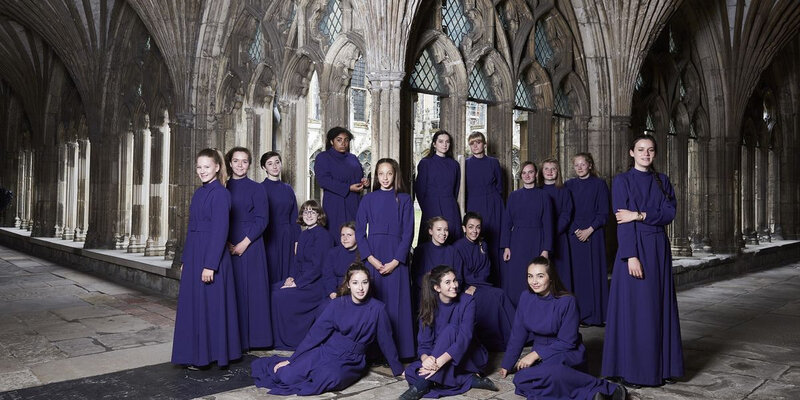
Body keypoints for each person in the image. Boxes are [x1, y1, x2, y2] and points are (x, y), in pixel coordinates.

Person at [602, 134, 684, 387]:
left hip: (658, 249)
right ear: (631, 153)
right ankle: (633, 371)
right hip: (634, 248)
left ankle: (661, 367)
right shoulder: (622, 181)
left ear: (655, 154)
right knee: (637, 312)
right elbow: (621, 223)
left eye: (650, 150)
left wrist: (638, 214)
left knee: (658, 309)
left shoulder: (662, 180)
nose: (645, 154)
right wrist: (631, 256)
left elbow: (669, 213)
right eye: (640, 150)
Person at [251, 264, 404, 395]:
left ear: (369, 284)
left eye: (364, 282)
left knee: (327, 378)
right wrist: (293, 359)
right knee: (286, 376)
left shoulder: (378, 309)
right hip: (328, 351)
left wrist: (398, 370)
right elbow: (315, 335)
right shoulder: (337, 304)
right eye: (356, 283)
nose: (361, 288)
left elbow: (387, 342)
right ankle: (288, 365)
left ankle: (320, 373)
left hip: (352, 360)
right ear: (349, 284)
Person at [499, 257, 626, 400]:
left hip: (566, 352)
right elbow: (518, 334)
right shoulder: (525, 297)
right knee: (520, 379)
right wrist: (507, 364)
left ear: (551, 277)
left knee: (552, 374)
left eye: (540, 276)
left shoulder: (568, 301)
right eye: (530, 276)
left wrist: (534, 354)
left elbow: (567, 342)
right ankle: (590, 395)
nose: (534, 281)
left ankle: (610, 389)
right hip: (542, 353)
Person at [172, 148, 241, 369]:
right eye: (199, 167)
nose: (202, 171)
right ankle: (194, 353)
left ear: (217, 167)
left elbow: (220, 231)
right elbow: (191, 228)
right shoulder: (199, 192)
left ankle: (210, 356)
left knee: (211, 307)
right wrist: (185, 259)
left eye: (206, 167)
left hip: (212, 257)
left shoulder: (221, 194)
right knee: (194, 306)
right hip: (194, 255)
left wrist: (210, 265)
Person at [400, 265, 498, 400]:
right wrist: (426, 359)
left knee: (451, 330)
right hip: (439, 355)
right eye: (448, 282)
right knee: (411, 371)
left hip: (467, 355)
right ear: (437, 288)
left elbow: (465, 338)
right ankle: (468, 380)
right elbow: (424, 343)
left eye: (455, 280)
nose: (454, 285)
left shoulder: (468, 301)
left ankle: (422, 385)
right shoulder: (429, 306)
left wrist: (438, 363)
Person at [355, 158, 415, 359]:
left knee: (397, 305)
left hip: (396, 256)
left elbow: (408, 233)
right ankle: (375, 353)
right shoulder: (368, 200)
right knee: (375, 303)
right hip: (375, 255)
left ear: (395, 175)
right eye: (381, 174)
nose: (385, 178)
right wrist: (370, 259)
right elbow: (359, 233)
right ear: (376, 176)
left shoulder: (405, 199)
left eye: (389, 173)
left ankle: (400, 351)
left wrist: (396, 261)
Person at [225, 147, 272, 350]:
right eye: (236, 161)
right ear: (229, 163)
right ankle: (235, 340)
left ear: (250, 164)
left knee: (253, 292)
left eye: (244, 161)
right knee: (233, 291)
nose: (240, 165)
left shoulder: (257, 188)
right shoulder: (223, 187)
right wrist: (226, 243)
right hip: (227, 243)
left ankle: (256, 340)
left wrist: (244, 243)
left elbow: (263, 219)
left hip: (252, 244)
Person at [271, 200, 333, 350]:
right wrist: (291, 277)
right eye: (306, 211)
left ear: (319, 215)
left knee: (280, 296)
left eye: (313, 211)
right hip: (301, 279)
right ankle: (273, 338)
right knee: (272, 289)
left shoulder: (323, 236)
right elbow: (296, 261)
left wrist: (297, 283)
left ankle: (291, 340)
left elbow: (318, 268)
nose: (309, 215)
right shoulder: (303, 234)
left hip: (315, 285)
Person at [452, 212, 515, 352]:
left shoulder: (483, 245)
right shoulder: (457, 247)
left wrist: (478, 282)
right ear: (464, 228)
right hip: (466, 286)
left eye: (478, 227)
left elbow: (486, 270)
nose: (474, 231)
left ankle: (515, 337)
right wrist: (466, 287)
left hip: (482, 283)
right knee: (491, 297)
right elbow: (457, 273)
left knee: (500, 294)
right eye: (471, 227)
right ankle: (496, 341)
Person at [499, 161, 553, 307]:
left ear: (536, 174)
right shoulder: (514, 196)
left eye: (530, 172)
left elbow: (548, 224)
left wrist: (546, 249)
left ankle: (536, 310)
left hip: (537, 240)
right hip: (517, 242)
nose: (527, 175)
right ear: (521, 176)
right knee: (517, 277)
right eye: (524, 173)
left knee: (537, 277)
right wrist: (506, 247)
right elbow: (507, 223)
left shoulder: (544, 196)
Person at [565, 152, 610, 326]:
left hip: (594, 233)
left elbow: (604, 212)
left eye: (583, 164)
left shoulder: (599, 184)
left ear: (590, 165)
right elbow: (566, 212)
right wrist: (577, 230)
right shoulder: (568, 185)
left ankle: (597, 315)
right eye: (576, 165)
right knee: (578, 276)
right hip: (574, 234)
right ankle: (581, 315)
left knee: (595, 273)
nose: (580, 168)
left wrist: (589, 230)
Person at [314, 126, 368, 244]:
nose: (343, 143)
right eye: (339, 140)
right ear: (331, 141)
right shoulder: (323, 157)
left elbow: (360, 177)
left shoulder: (353, 158)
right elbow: (323, 180)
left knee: (355, 237)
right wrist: (347, 188)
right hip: (334, 205)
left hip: (354, 204)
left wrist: (365, 182)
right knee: (335, 237)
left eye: (346, 140)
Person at [464, 132, 504, 283]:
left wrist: (496, 203)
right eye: (472, 143)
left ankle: (497, 280)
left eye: (478, 142)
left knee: (494, 242)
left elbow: (500, 186)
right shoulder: (466, 164)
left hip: (493, 204)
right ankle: (479, 279)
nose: (475, 146)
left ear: (484, 144)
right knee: (477, 240)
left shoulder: (493, 162)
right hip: (475, 204)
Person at [414, 130, 462, 244]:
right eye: (441, 141)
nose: (444, 144)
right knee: (431, 243)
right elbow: (420, 190)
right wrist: (427, 209)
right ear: (434, 144)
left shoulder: (454, 165)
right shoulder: (425, 163)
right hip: (431, 207)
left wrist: (450, 203)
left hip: (450, 206)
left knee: (452, 240)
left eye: (447, 142)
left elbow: (456, 188)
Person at [260, 151, 301, 284]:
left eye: (277, 162)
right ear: (264, 168)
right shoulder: (260, 189)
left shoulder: (288, 189)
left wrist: (297, 240)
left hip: (287, 235)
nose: (275, 166)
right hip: (268, 236)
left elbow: (294, 216)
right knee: (270, 271)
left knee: (288, 273)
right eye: (270, 164)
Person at [538, 158, 575, 292]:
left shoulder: (564, 191)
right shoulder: (538, 191)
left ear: (558, 172)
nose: (550, 171)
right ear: (541, 172)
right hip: (540, 238)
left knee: (561, 272)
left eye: (553, 169)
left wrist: (552, 232)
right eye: (546, 169)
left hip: (559, 237)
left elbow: (566, 214)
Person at [324, 221, 360, 299]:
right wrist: (332, 292)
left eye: (349, 235)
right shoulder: (333, 253)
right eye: (342, 235)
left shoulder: (363, 253)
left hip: (357, 291)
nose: (345, 238)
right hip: (336, 291)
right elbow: (328, 275)